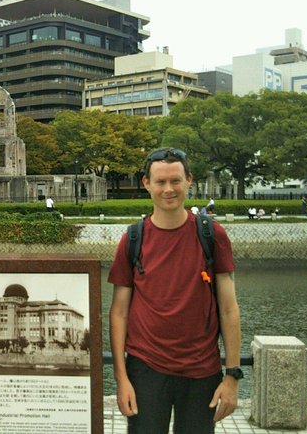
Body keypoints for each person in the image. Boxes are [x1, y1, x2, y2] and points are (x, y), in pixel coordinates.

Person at [108, 147, 241, 433]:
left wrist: (232, 376)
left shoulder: (211, 235)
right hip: (145, 369)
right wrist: (122, 378)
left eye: (175, 181)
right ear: (146, 184)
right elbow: (118, 313)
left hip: (202, 369)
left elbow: (229, 309)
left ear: (189, 180)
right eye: (160, 182)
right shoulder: (133, 239)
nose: (168, 189)